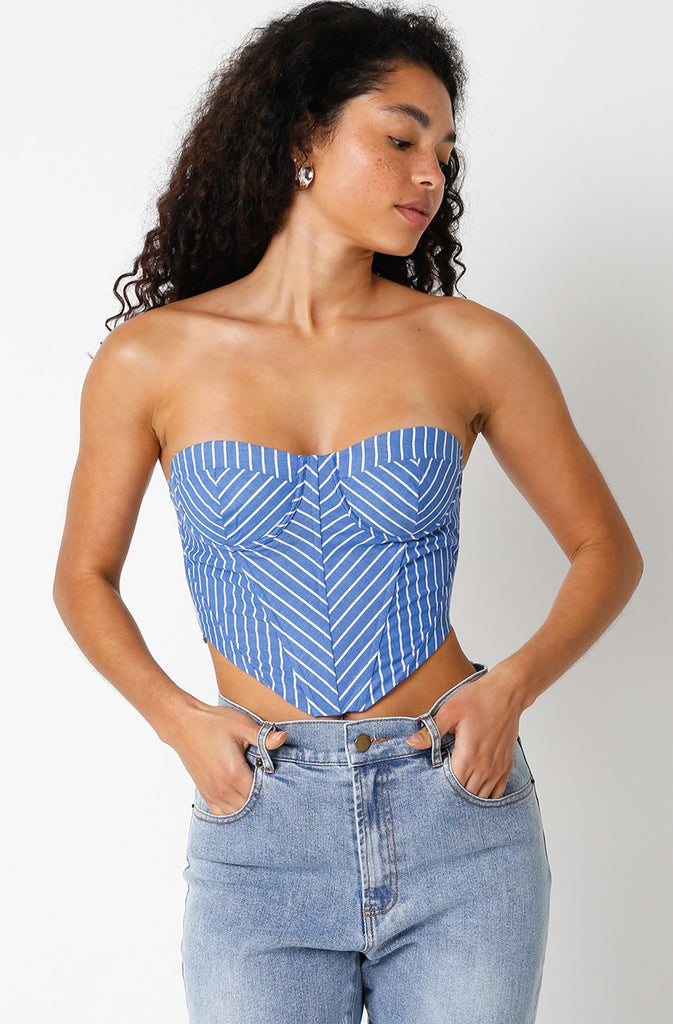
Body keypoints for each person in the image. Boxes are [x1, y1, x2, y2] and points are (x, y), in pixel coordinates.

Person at [52, 2, 643, 1021]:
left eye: (444, 154)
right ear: (303, 138)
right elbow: (82, 577)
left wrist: (507, 691)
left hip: (453, 805)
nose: (431, 175)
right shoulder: (153, 358)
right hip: (261, 816)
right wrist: (177, 720)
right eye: (401, 138)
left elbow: (604, 548)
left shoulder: (471, 346)